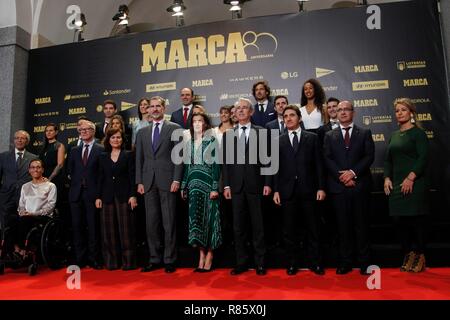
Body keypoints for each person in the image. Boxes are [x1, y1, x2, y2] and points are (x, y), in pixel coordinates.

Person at [273, 105, 326, 276]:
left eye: (292, 115)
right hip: (287, 192)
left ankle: (315, 263)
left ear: (299, 118)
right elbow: (275, 169)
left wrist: (321, 187)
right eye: (285, 116)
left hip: (309, 190)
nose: (288, 118)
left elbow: (319, 165)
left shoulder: (312, 138)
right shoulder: (278, 140)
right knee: (289, 231)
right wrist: (275, 190)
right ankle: (291, 263)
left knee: (313, 229)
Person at [323, 100, 375, 275]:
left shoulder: (365, 133)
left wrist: (353, 173)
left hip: (360, 186)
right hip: (339, 188)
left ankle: (364, 263)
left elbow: (369, 156)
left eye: (346, 109)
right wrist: (342, 177)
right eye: (340, 110)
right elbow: (327, 159)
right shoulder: (330, 135)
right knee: (342, 227)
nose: (343, 112)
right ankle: (345, 262)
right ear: (335, 113)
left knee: (362, 226)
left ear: (353, 112)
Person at [222, 97, 272, 276]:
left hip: (257, 186)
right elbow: (226, 164)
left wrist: (267, 183)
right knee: (238, 228)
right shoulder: (228, 134)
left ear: (251, 112)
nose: (241, 111)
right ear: (234, 113)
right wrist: (226, 185)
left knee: (258, 227)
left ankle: (260, 263)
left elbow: (269, 161)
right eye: (238, 109)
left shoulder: (263, 132)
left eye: (245, 108)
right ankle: (241, 263)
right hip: (236, 188)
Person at [136, 96, 183, 273]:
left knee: (169, 222)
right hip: (148, 182)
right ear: (147, 110)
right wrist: (139, 181)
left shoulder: (175, 129)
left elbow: (179, 158)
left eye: (158, 106)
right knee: (151, 223)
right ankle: (154, 258)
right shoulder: (142, 133)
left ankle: (170, 259)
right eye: (151, 107)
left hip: (168, 181)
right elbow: (139, 159)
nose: (154, 109)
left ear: (164, 108)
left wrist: (177, 179)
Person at [384, 98, 429, 273]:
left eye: (403, 110)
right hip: (396, 186)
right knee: (399, 222)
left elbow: (423, 158)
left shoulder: (418, 134)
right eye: (397, 110)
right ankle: (409, 253)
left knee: (416, 221)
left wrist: (411, 178)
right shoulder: (394, 135)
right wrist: (387, 178)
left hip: (415, 184)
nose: (400, 113)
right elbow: (388, 160)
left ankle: (420, 254)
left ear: (411, 113)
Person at [181, 113, 221, 272]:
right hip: (193, 186)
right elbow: (186, 166)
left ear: (205, 124)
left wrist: (214, 187)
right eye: (194, 121)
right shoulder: (189, 143)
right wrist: (184, 185)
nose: (197, 123)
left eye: (200, 121)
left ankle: (210, 255)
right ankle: (201, 255)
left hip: (208, 186)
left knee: (209, 220)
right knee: (196, 221)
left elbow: (216, 165)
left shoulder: (212, 140)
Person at [96, 128, 138, 271]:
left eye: (119, 137)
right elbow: (100, 178)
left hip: (124, 195)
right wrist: (98, 197)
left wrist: (133, 195)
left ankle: (128, 263)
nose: (116, 140)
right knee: (109, 231)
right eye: (113, 137)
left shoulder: (128, 155)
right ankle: (112, 262)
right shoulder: (102, 156)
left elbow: (133, 177)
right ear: (108, 140)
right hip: (106, 196)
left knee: (126, 231)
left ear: (122, 139)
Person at [67, 120, 104, 269]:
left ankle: (94, 258)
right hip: (76, 194)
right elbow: (70, 171)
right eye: (80, 130)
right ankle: (80, 259)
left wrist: (99, 195)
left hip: (93, 194)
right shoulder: (75, 150)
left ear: (93, 131)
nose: (83, 132)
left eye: (86, 129)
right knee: (77, 227)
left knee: (93, 227)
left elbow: (102, 174)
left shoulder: (101, 149)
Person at [15, 159, 56, 257]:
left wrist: (33, 214)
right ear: (29, 170)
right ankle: (12, 250)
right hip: (26, 216)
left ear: (42, 170)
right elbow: (21, 204)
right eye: (32, 167)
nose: (35, 170)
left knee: (24, 221)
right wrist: (22, 212)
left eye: (38, 167)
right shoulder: (25, 186)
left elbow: (50, 206)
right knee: (10, 220)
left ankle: (22, 250)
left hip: (42, 217)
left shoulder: (50, 186)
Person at [0, 130, 38, 231]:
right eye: (17, 138)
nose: (19, 140)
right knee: (5, 222)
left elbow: (36, 177)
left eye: (22, 138)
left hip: (25, 196)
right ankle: (5, 245)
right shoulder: (3, 156)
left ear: (27, 141)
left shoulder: (33, 158)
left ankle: (19, 246)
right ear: (14, 141)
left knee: (22, 224)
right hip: (6, 196)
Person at [39, 123, 65, 206]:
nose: (48, 133)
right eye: (46, 131)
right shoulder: (44, 147)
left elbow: (60, 164)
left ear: (56, 132)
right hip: (42, 179)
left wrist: (49, 179)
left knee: (53, 205)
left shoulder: (59, 145)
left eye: (51, 130)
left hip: (54, 179)